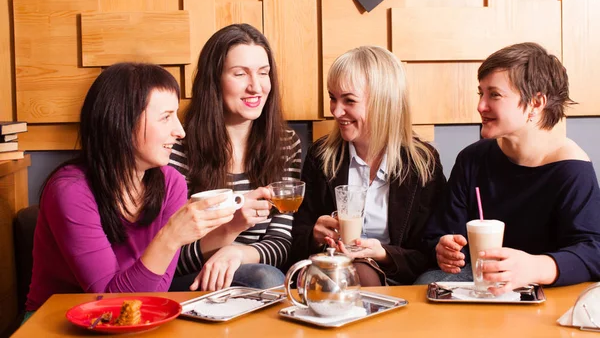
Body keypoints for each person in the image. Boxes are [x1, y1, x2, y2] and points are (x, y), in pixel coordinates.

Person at [25, 63, 236, 314]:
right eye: (166, 117)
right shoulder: (70, 191)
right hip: (54, 323)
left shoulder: (172, 184)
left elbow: (154, 294)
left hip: (138, 319)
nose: (180, 131)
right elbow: (112, 304)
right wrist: (171, 237)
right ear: (123, 123)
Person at [416, 42, 600, 294]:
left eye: (494, 94)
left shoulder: (571, 169)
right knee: (426, 283)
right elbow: (439, 233)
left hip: (547, 291)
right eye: (480, 93)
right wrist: (443, 247)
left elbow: (592, 250)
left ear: (536, 103)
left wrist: (534, 267)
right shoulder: (472, 158)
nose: (481, 106)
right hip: (478, 283)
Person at [291, 46, 446, 286]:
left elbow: (428, 252)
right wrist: (314, 235)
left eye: (349, 100)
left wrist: (382, 254)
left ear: (384, 103)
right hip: (331, 277)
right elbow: (296, 236)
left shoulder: (422, 163)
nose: (336, 111)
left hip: (395, 280)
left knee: (362, 273)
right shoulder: (321, 157)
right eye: (333, 97)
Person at [169, 24, 302, 291]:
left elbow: (281, 241)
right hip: (191, 278)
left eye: (263, 73)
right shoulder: (177, 146)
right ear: (213, 80)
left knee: (267, 276)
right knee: (267, 279)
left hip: (257, 272)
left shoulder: (286, 144)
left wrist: (237, 253)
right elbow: (168, 255)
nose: (256, 87)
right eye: (240, 74)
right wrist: (230, 229)